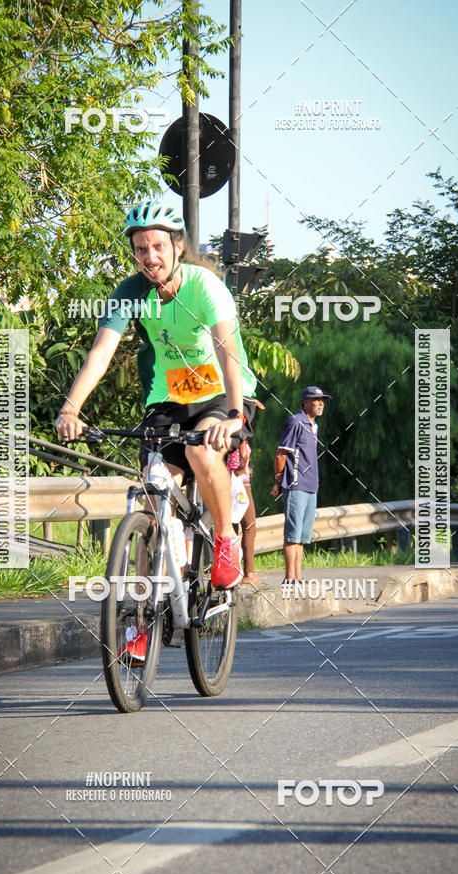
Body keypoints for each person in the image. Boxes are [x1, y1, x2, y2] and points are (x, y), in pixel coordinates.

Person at [55, 201, 258, 600]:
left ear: (177, 246)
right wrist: (70, 409)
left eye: (159, 247)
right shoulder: (131, 292)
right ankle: (141, 620)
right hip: (168, 402)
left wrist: (234, 416)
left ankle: (224, 540)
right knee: (152, 500)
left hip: (221, 395)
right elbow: (100, 355)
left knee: (202, 452)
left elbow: (228, 353)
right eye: (141, 249)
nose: (151, 257)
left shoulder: (204, 286)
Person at [271, 386, 330, 583]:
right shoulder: (296, 422)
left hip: (311, 486)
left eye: (322, 400)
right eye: (316, 399)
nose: (320, 403)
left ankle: (298, 577)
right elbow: (281, 454)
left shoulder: (314, 426)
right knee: (292, 534)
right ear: (305, 402)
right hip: (296, 485)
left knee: (302, 537)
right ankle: (289, 578)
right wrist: (280, 480)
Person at [227, 438, 262, 585]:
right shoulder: (240, 435)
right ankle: (249, 573)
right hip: (240, 482)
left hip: (228, 481)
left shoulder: (227, 434)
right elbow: (243, 458)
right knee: (249, 526)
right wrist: (242, 468)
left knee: (232, 527)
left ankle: (232, 570)